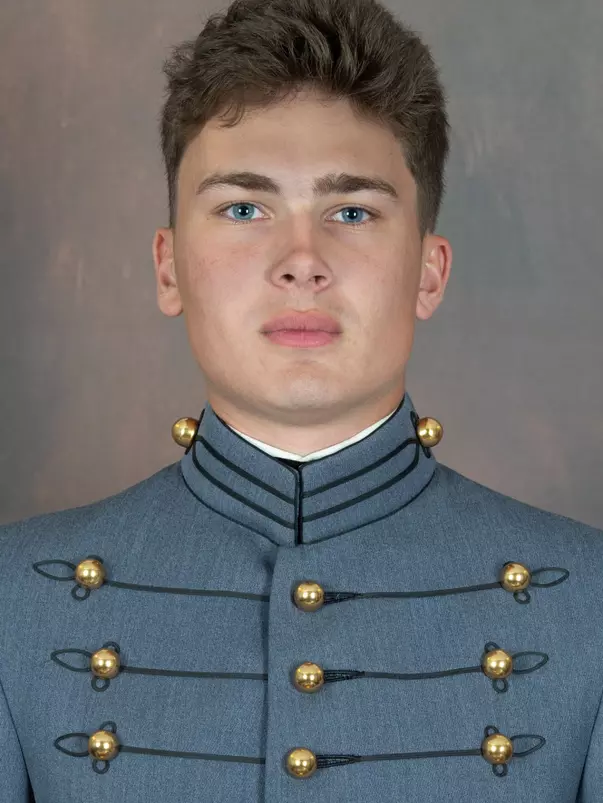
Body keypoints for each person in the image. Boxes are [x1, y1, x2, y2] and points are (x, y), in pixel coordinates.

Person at [0, 0, 601, 799]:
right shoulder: (15, 600)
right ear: (169, 266)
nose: (300, 262)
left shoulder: (588, 602)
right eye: (243, 209)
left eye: (350, 211)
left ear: (428, 271)